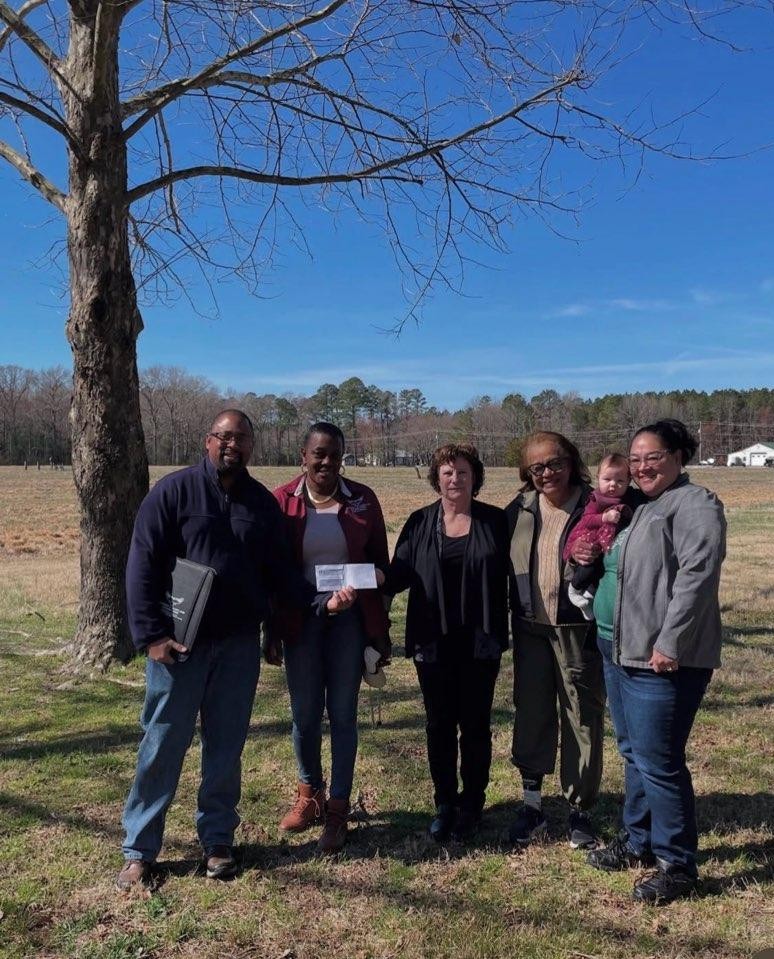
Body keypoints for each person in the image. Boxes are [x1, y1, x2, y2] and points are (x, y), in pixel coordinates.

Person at [117, 410, 353, 890]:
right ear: (208, 441)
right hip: (180, 645)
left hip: (237, 646)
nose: (232, 445)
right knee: (162, 743)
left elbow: (280, 575)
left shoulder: (260, 504)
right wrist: (151, 635)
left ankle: (218, 840)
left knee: (225, 748)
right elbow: (142, 563)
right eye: (224, 437)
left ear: (252, 448)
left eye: (241, 439)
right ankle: (140, 850)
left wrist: (317, 603)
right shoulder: (174, 492)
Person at [585, 419, 726, 904]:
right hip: (617, 647)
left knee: (660, 761)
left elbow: (697, 575)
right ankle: (638, 841)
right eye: (636, 458)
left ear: (678, 456)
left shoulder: (695, 504)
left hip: (660, 658)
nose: (643, 466)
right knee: (633, 753)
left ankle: (678, 864)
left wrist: (671, 642)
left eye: (654, 457)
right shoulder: (638, 508)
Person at [268, 422, 390, 854]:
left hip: (348, 624)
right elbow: (275, 573)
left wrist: (376, 586)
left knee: (342, 714)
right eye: (318, 454)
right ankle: (309, 796)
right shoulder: (282, 502)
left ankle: (337, 808)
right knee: (303, 714)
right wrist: (272, 629)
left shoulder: (362, 500)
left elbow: (380, 563)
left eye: (335, 455)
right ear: (303, 455)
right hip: (301, 622)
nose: (326, 462)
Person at [384, 444, 509, 842]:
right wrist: (368, 598)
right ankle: (444, 803)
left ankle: (472, 803)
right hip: (432, 641)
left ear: (476, 478)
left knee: (475, 724)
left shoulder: (494, 521)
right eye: (447, 473)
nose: (455, 479)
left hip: (479, 641)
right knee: (439, 724)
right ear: (436, 479)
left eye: (463, 473)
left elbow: (519, 572)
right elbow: (396, 576)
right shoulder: (420, 522)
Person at [506, 431, 605, 850]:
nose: (548, 473)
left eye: (556, 463)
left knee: (581, 716)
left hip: (577, 631)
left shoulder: (597, 506)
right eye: (537, 467)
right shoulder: (519, 509)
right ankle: (532, 804)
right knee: (531, 713)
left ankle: (580, 810)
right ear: (528, 473)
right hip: (530, 629)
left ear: (572, 461)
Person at [563, 453, 640, 619]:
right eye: (607, 480)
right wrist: (604, 518)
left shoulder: (631, 498)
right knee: (590, 565)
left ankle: (589, 597)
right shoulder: (596, 499)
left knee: (602, 570)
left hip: (610, 545)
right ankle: (574, 589)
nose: (613, 485)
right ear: (598, 478)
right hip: (594, 540)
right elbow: (586, 520)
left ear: (629, 481)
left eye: (620, 481)